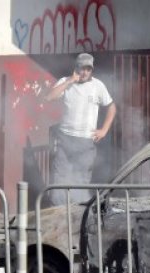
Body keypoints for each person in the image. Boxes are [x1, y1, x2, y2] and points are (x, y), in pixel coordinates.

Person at [45, 53, 116, 205]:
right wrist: (70, 81)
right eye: (82, 68)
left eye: (88, 69)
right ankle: (59, 215)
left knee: (82, 180)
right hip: (64, 140)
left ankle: (77, 217)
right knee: (59, 180)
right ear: (76, 67)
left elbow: (111, 107)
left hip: (85, 142)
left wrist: (104, 130)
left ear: (91, 70)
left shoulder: (98, 86)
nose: (84, 72)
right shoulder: (65, 81)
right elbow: (49, 97)